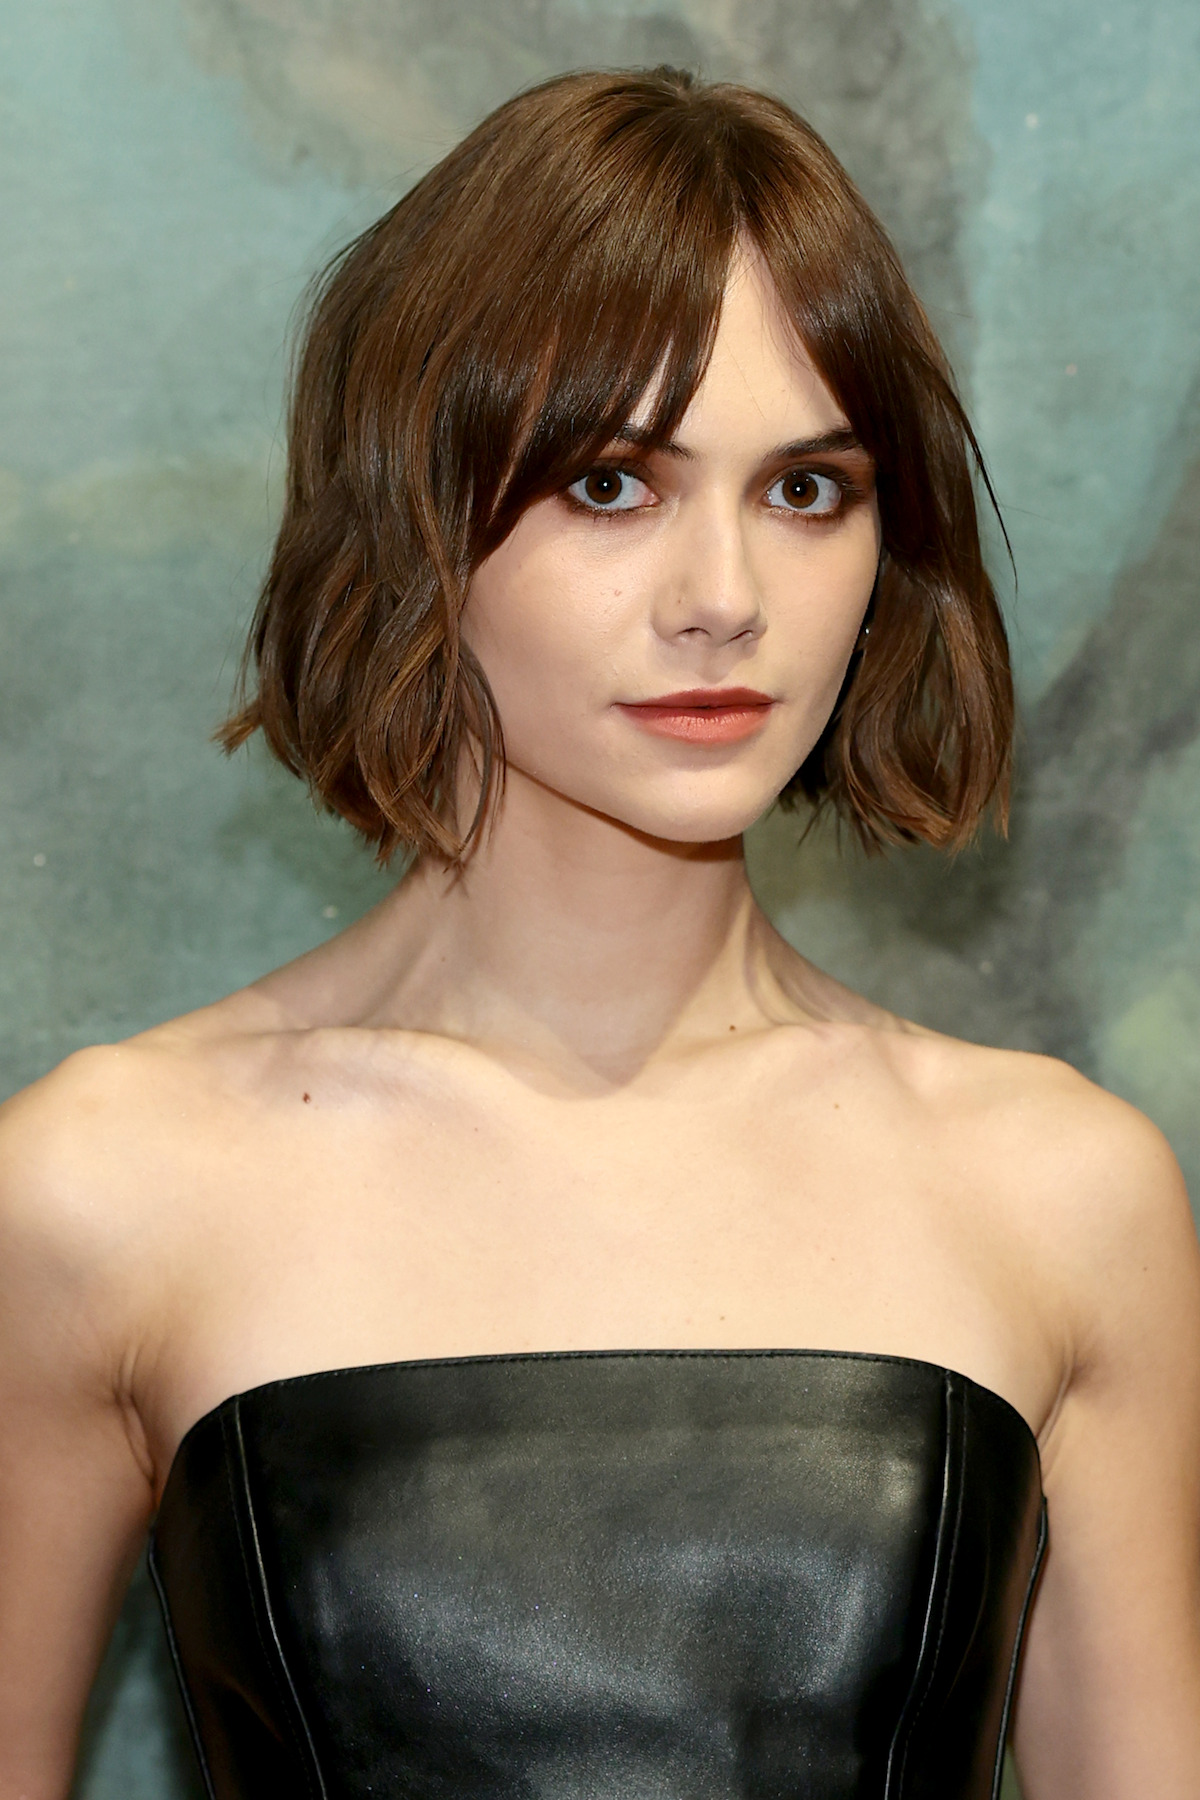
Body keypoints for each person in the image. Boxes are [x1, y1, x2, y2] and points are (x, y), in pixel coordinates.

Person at [1, 64, 1197, 1800]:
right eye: (614, 487)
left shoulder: (1058, 1192)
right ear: (419, 519)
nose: (724, 597)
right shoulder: (105, 1192)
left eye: (807, 490)